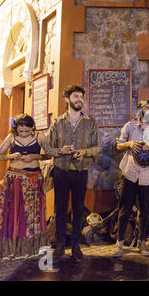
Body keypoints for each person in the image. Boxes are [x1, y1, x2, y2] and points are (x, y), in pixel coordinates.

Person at [44, 85, 102, 263]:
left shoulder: (90, 123)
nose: (80, 100)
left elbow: (98, 147)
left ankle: (76, 245)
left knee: (78, 209)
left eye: (81, 97)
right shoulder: (58, 122)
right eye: (76, 96)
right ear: (67, 99)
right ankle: (60, 245)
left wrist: (85, 151)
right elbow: (47, 147)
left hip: (80, 171)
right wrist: (59, 150)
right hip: (61, 170)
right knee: (60, 209)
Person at [0, 114, 49, 260]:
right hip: (14, 178)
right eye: (20, 131)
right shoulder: (11, 137)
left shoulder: (40, 136)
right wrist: (10, 157)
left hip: (34, 179)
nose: (23, 134)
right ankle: (12, 247)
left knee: (32, 214)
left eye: (27, 131)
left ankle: (32, 248)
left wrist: (35, 157)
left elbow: (50, 154)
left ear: (33, 127)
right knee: (13, 212)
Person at [114, 100, 149, 257]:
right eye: (147, 107)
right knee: (124, 209)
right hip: (130, 172)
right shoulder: (130, 126)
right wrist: (129, 143)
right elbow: (118, 146)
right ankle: (120, 243)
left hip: (148, 175)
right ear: (140, 110)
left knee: (145, 209)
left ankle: (142, 242)